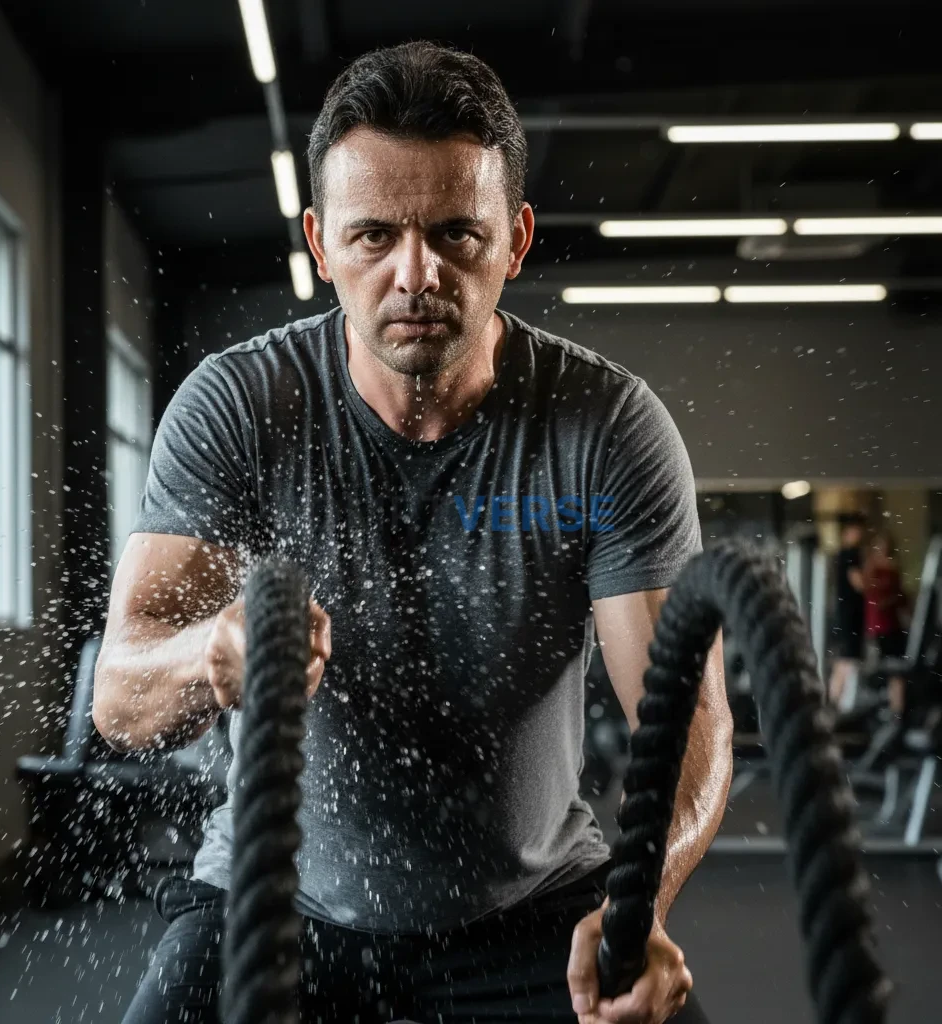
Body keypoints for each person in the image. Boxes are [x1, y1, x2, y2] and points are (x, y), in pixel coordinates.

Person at [94, 41, 733, 1024]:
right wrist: (210, 657)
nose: (415, 273)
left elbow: (685, 716)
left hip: (528, 907)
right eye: (373, 236)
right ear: (318, 242)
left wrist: (639, 898)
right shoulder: (235, 406)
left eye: (455, 235)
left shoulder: (605, 426)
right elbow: (121, 698)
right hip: (279, 900)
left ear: (515, 238)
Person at [862, 530, 908, 715]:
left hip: (893, 625)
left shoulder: (892, 569)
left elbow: (901, 597)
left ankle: (897, 708)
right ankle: (892, 708)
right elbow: (876, 597)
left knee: (897, 670)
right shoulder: (873, 569)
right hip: (880, 625)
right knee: (889, 670)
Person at [827, 514, 867, 711]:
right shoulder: (851, 554)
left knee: (844, 660)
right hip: (849, 616)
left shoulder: (844, 554)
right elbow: (859, 583)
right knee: (847, 660)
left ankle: (836, 703)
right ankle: (842, 706)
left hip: (846, 615)